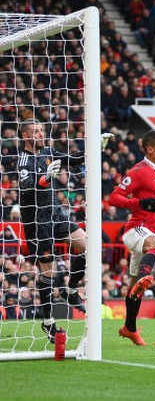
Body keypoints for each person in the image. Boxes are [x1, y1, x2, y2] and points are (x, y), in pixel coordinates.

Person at [18, 119, 112, 342]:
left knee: (89, 247)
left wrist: (94, 148)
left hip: (57, 215)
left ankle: (71, 291)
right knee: (48, 274)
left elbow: (74, 160)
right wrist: (44, 178)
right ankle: (48, 322)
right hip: (38, 223)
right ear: (25, 136)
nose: (41, 134)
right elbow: (25, 187)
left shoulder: (49, 151)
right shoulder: (23, 159)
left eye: (42, 130)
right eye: (36, 131)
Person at [108, 130, 155, 346]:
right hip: (137, 229)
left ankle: (129, 328)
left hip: (153, 231)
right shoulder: (138, 171)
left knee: (134, 285)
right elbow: (114, 198)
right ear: (150, 149)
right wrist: (139, 204)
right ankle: (146, 277)